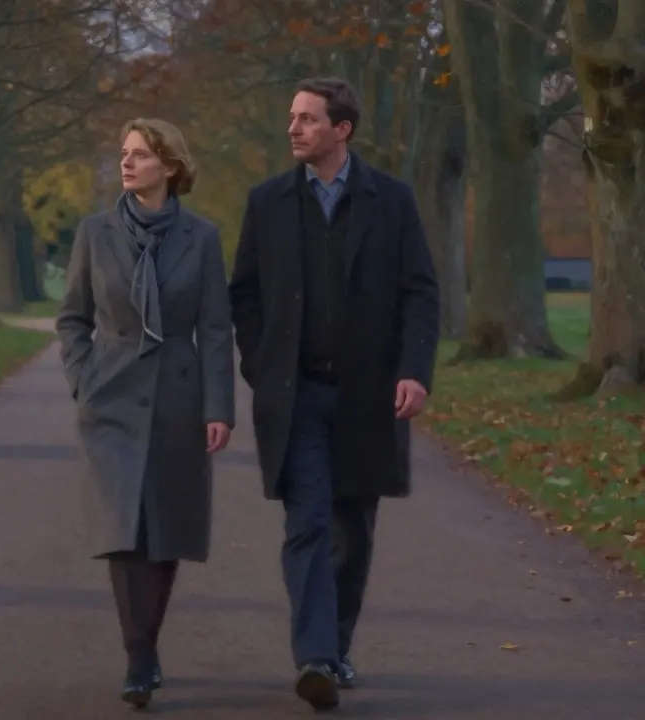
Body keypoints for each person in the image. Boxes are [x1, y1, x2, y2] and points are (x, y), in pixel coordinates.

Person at [228, 77, 440, 711]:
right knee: (308, 523)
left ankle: (337, 646)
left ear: (341, 129)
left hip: (368, 397)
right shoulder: (266, 203)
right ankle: (315, 656)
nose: (292, 128)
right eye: (291, 117)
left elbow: (420, 293)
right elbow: (245, 293)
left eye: (307, 119)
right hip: (296, 396)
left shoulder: (392, 202)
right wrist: (262, 365)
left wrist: (414, 370)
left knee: (353, 529)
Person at [56, 118, 236, 709]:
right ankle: (139, 656)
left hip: (178, 400)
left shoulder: (202, 238)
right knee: (123, 531)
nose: (127, 164)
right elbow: (73, 318)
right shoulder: (95, 232)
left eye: (140, 155)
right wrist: (84, 380)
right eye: (123, 154)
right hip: (109, 399)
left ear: (171, 167)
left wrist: (218, 407)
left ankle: (147, 644)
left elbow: (213, 329)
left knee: (165, 531)